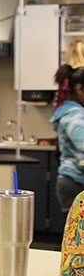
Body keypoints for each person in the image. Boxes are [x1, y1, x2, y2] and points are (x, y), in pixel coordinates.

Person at [51, 64, 84, 212]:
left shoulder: (72, 111)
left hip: (73, 181)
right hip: (75, 183)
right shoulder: (73, 115)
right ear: (79, 89)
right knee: (77, 234)